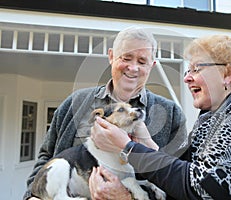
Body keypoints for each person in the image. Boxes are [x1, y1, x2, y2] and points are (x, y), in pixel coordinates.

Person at [90, 35, 231, 199]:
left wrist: (129, 148)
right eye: (188, 70)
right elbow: (181, 179)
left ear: (227, 74)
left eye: (196, 69)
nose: (186, 78)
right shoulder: (209, 119)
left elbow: (207, 187)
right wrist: (145, 142)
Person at [23, 26, 188, 200]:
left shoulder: (172, 114)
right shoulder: (74, 103)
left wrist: (126, 197)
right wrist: (31, 196)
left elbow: (181, 185)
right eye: (126, 58)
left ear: (151, 66)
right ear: (111, 56)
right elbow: (46, 158)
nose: (133, 68)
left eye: (142, 61)